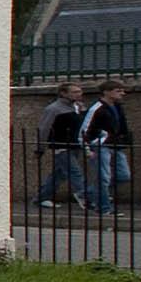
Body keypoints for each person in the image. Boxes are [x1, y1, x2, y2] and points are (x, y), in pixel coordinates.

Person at [37, 83, 107, 211]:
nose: (79, 94)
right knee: (75, 173)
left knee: (59, 174)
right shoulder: (54, 109)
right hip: (61, 145)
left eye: (79, 92)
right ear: (63, 93)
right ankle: (86, 198)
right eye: (74, 92)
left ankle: (41, 197)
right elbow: (44, 128)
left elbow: (82, 127)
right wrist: (40, 147)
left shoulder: (77, 107)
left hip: (75, 145)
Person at [94, 82, 138, 205]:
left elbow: (122, 125)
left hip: (115, 144)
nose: (122, 93)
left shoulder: (118, 106)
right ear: (106, 92)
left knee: (124, 175)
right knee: (104, 177)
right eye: (118, 91)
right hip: (102, 145)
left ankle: (92, 194)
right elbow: (86, 128)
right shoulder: (97, 108)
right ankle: (103, 205)